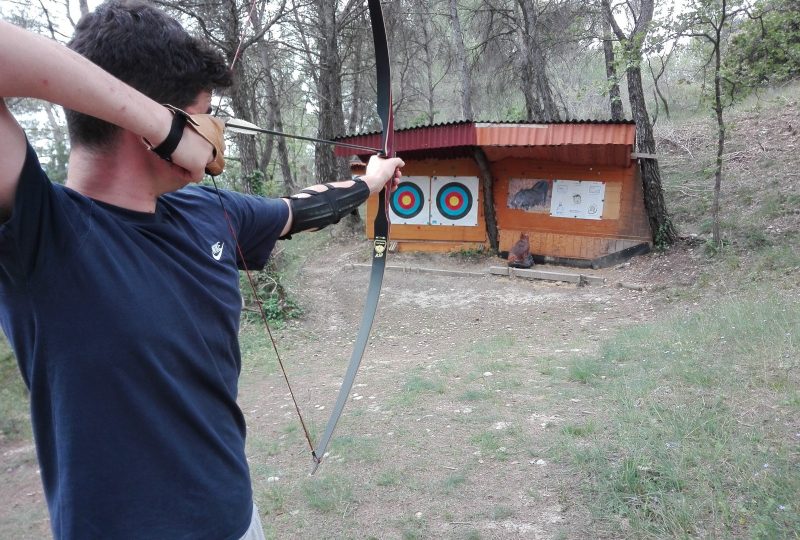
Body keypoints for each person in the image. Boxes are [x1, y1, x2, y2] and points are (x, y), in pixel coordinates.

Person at [0, 1, 404, 538]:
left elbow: (299, 209)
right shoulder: (36, 232)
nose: (216, 132)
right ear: (165, 122)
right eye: (208, 113)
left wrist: (370, 181)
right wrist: (162, 126)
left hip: (235, 518)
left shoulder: (206, 210)